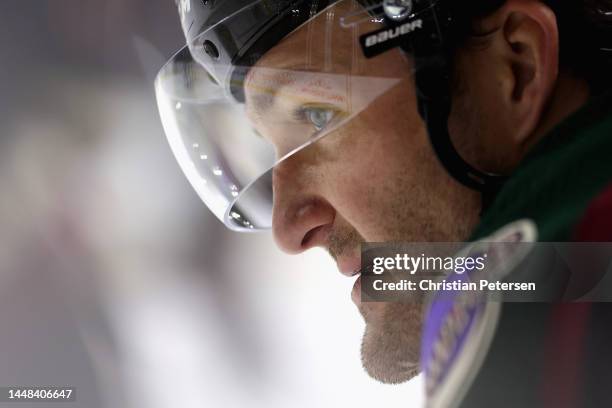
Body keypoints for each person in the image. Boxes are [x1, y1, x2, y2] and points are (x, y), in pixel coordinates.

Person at [155, 0, 612, 398]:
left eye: (316, 115)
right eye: (268, 145)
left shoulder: (537, 306)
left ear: (516, 69)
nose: (287, 228)